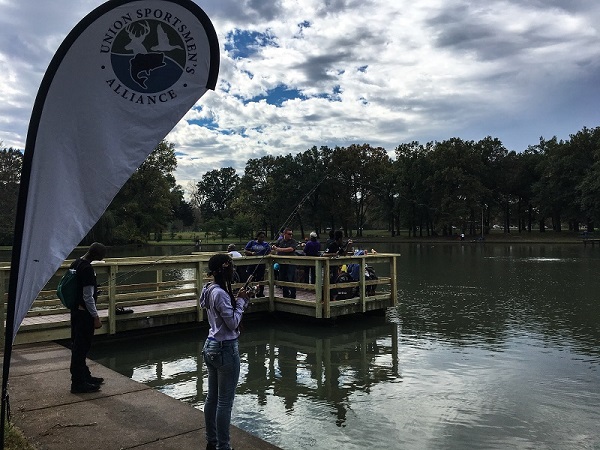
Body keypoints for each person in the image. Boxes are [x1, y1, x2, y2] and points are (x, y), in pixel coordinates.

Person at [200, 253, 250, 450]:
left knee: (212, 398)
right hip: (225, 349)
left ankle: (212, 441)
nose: (233, 271)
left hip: (210, 345)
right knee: (224, 403)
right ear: (224, 268)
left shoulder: (209, 288)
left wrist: (237, 300)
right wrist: (242, 303)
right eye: (231, 267)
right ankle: (224, 446)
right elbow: (232, 323)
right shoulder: (220, 293)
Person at [70, 242, 106, 394]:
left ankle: (85, 376)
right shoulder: (87, 269)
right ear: (96, 256)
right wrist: (95, 317)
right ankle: (77, 383)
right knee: (81, 347)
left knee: (78, 345)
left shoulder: (76, 263)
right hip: (84, 314)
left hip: (75, 311)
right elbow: (88, 297)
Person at [272, 227, 298, 298]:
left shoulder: (293, 241)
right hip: (282, 264)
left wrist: (279, 249)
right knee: (283, 279)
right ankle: (285, 295)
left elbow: (290, 249)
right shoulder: (280, 241)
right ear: (284, 234)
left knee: (291, 279)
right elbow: (274, 246)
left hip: (291, 264)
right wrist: (274, 247)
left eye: (291, 234)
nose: (291, 236)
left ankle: (293, 295)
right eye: (289, 234)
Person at [244, 231, 271, 297]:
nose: (262, 239)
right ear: (257, 237)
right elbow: (245, 250)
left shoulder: (266, 244)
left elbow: (269, 252)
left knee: (260, 279)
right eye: (261, 237)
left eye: (263, 237)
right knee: (251, 278)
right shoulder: (252, 242)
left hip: (261, 264)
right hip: (252, 264)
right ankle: (251, 293)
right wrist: (251, 253)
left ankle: (260, 293)